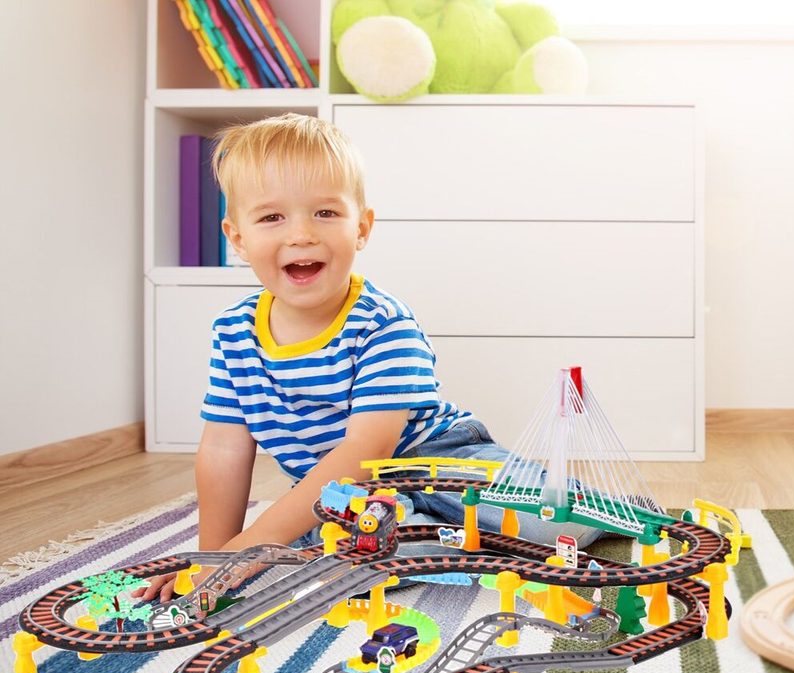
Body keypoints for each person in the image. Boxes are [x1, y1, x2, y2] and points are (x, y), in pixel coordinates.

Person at [136, 114, 602, 603]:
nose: (301, 235)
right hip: (343, 493)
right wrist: (215, 560)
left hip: (437, 460)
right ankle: (445, 538)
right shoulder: (234, 331)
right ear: (238, 238)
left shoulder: (382, 322)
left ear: (361, 228)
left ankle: (573, 506)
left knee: (552, 526)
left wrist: (250, 549)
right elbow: (223, 450)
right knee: (353, 557)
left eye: (325, 213)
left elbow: (365, 450)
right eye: (272, 218)